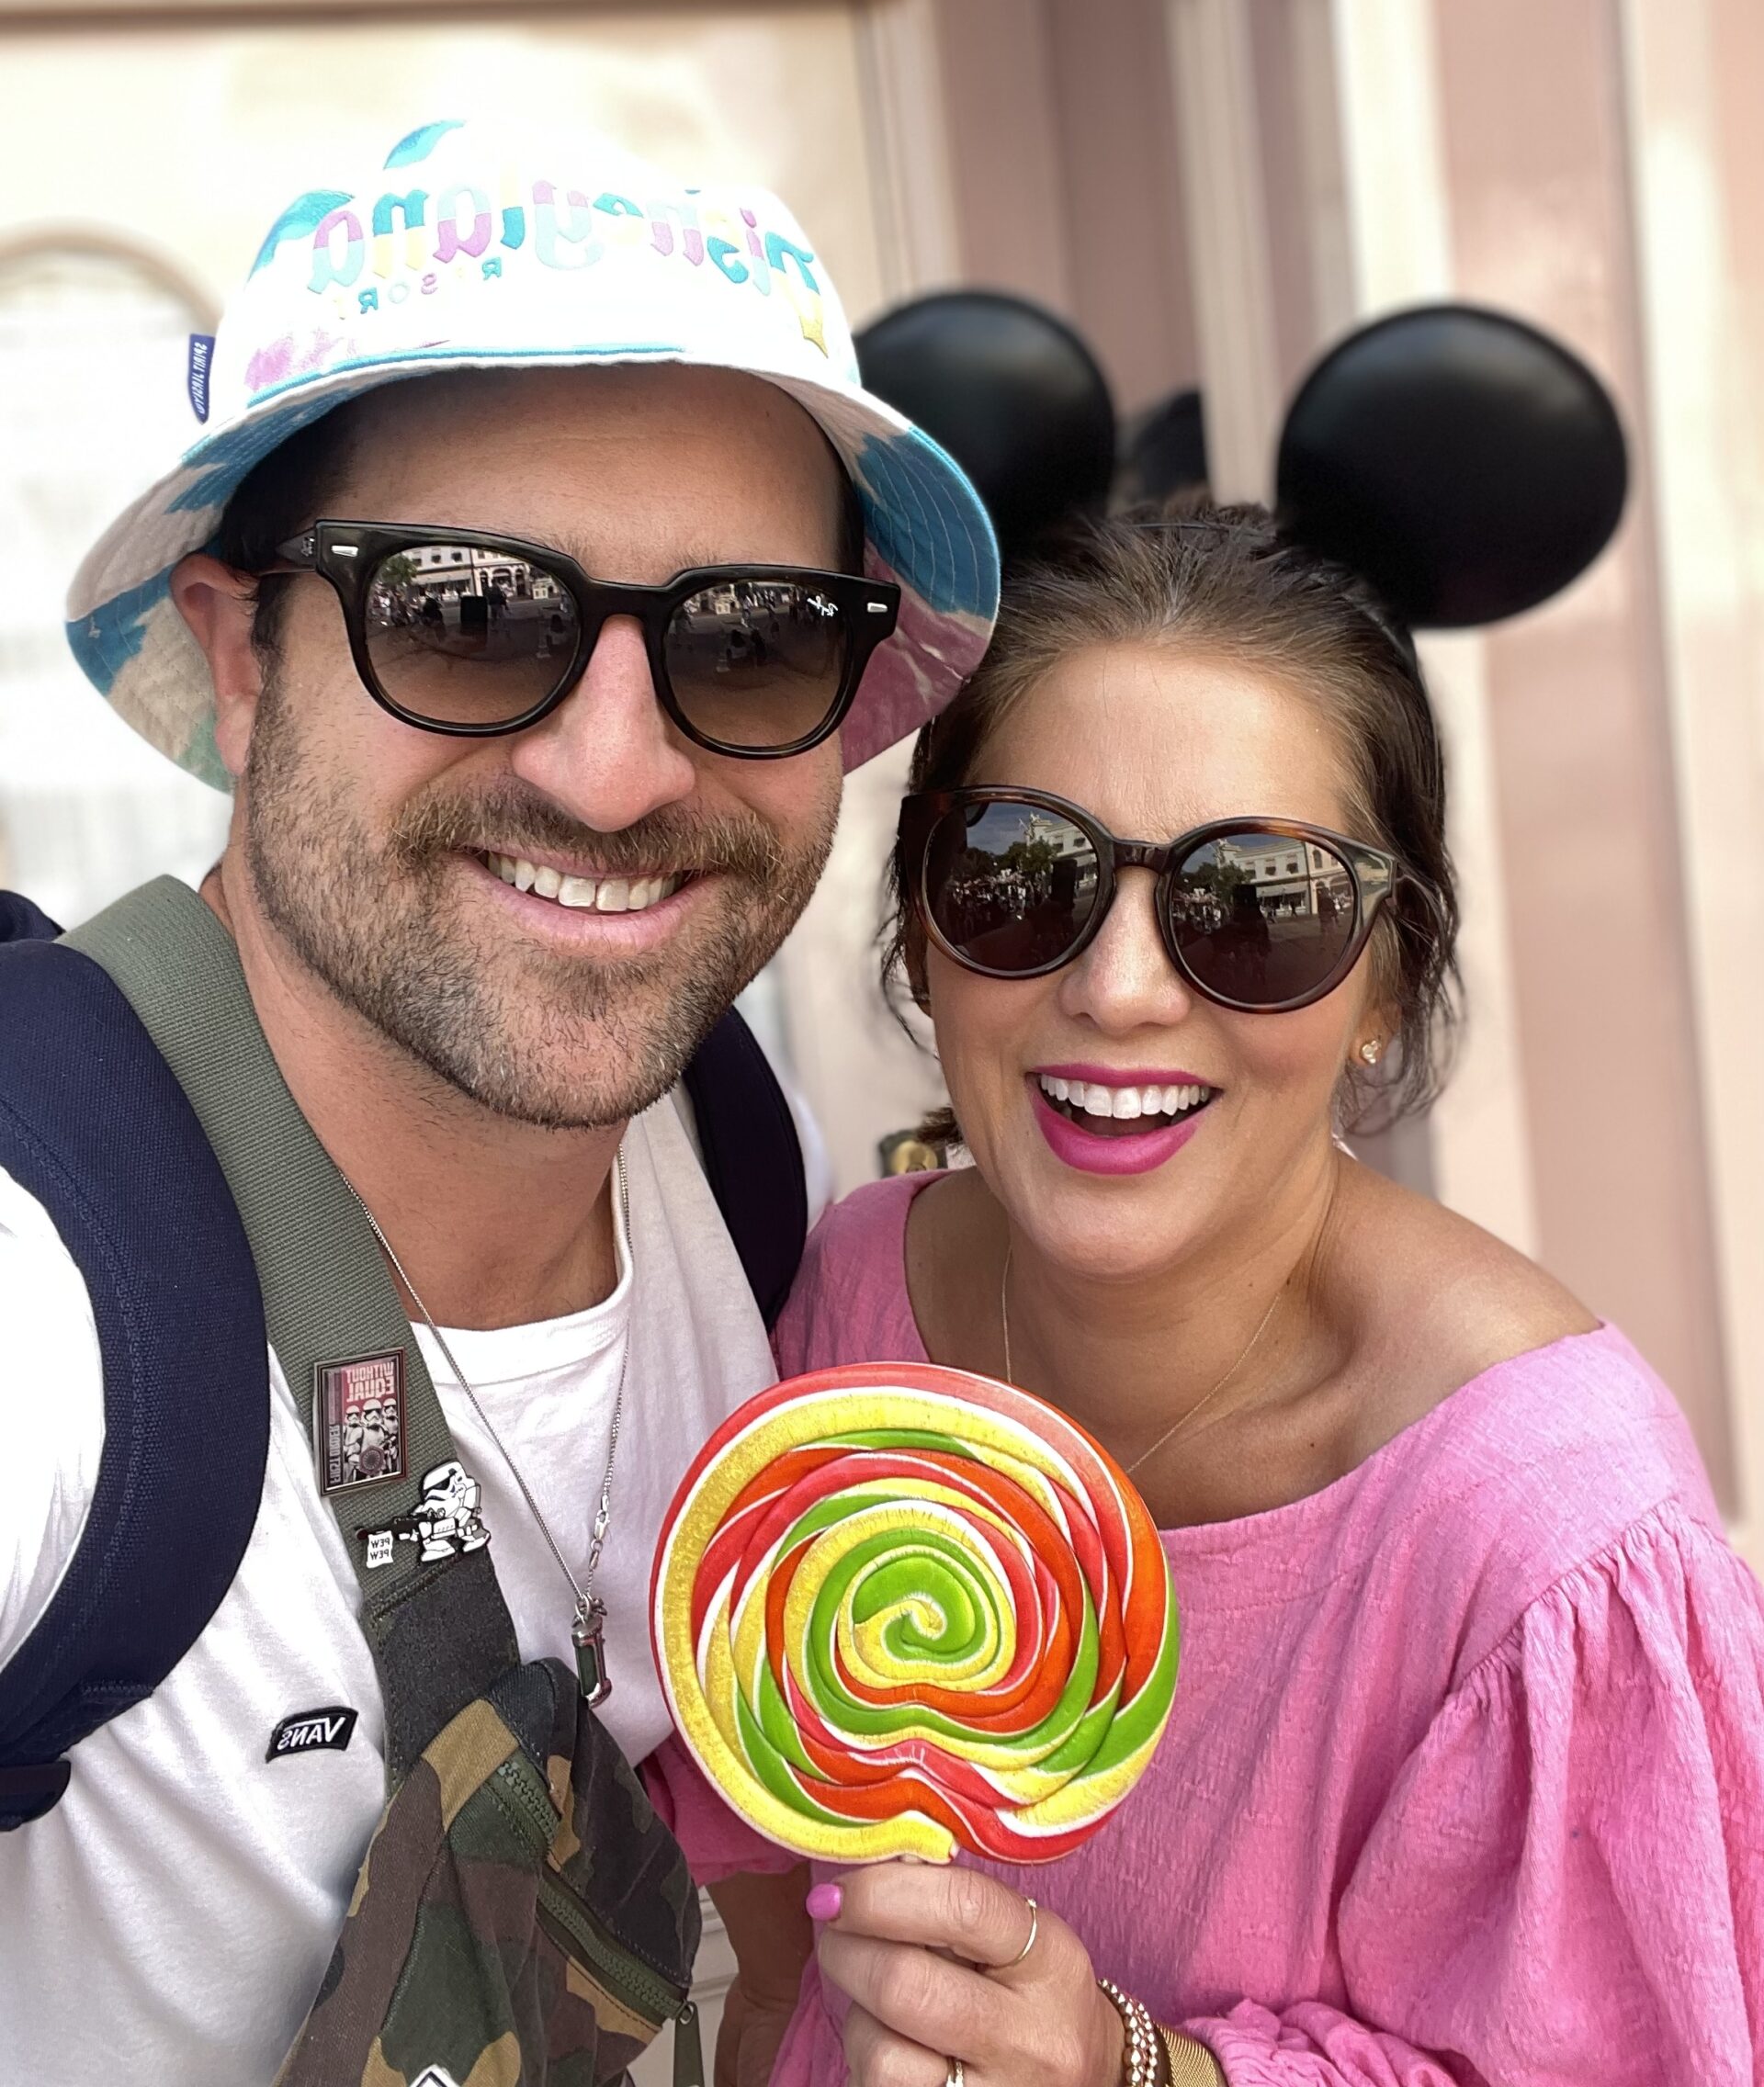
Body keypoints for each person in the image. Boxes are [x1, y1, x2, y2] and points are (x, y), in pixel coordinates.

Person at [0, 118, 998, 2084]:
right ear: (239, 652)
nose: (618, 773)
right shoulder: (45, 1308)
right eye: (466, 613)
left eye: (751, 635)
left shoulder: (734, 1149)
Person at [692, 508, 1764, 2085]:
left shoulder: (1554, 1543)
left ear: (1388, 980)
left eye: (1258, 903)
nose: (1120, 988)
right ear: (922, 937)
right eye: (1015, 876)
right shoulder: (854, 1315)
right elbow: (777, 1979)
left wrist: (1132, 2069)